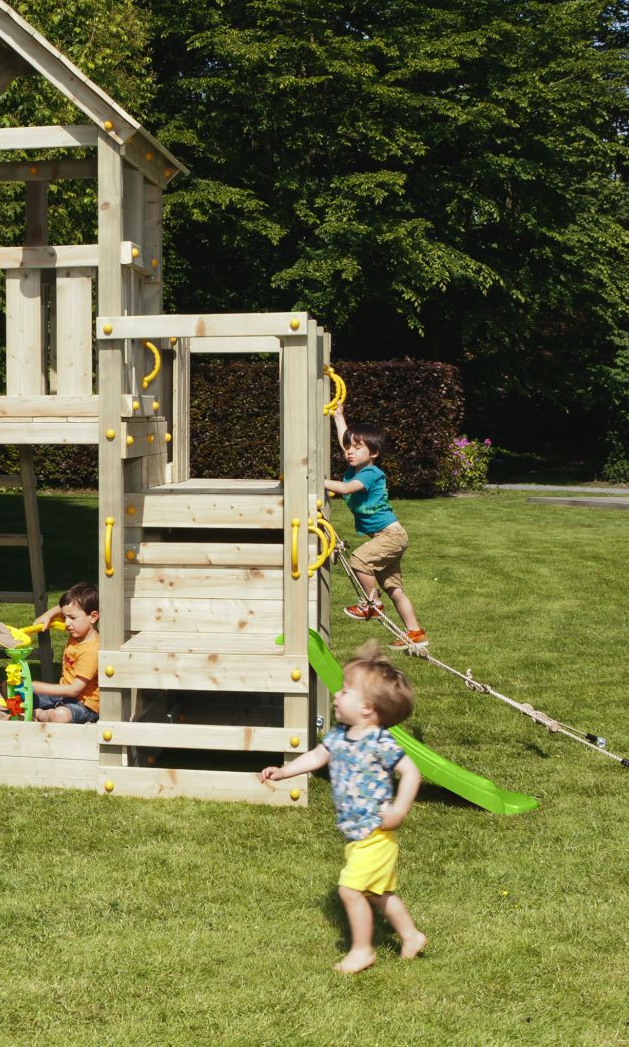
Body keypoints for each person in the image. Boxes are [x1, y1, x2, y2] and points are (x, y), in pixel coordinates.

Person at [259, 641, 428, 973]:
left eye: (346, 690)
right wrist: (284, 771)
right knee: (378, 893)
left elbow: (412, 772)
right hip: (358, 834)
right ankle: (411, 936)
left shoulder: (379, 741)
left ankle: (362, 950)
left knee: (350, 890)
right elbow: (316, 757)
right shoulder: (339, 736)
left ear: (367, 708)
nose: (337, 694)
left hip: (376, 833)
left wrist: (399, 810)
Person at [325, 405, 427, 650]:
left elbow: (346, 489)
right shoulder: (355, 468)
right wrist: (338, 417)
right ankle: (416, 632)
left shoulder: (371, 473)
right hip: (387, 536)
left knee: (359, 560)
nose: (349, 451)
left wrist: (315, 480)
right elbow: (344, 440)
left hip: (391, 535)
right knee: (393, 588)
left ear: (374, 452)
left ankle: (372, 604)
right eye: (348, 448)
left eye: (357, 448)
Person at [25, 582, 101, 724]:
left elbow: (74, 690)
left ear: (93, 617)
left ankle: (39, 714)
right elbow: (63, 608)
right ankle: (40, 712)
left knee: (60, 715)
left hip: (84, 705)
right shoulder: (78, 631)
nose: (66, 623)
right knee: (17, 692)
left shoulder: (92, 650)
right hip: (62, 697)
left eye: (72, 618)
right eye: (65, 617)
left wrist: (38, 687)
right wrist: (48, 615)